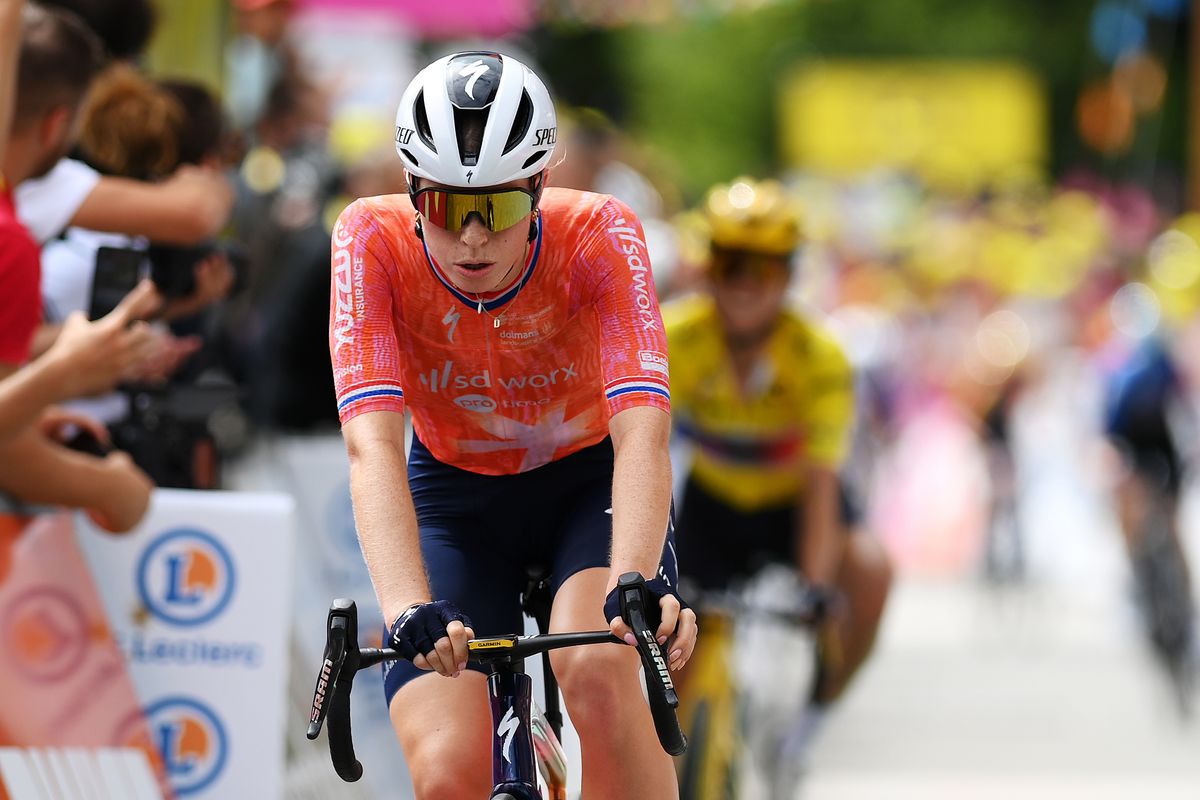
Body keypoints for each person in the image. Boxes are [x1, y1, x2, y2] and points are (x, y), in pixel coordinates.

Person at [329, 51, 697, 799]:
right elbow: (372, 445)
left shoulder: (600, 232)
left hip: (587, 485)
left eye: (495, 209)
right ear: (410, 192)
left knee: (598, 663)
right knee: (446, 776)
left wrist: (635, 577)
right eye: (441, 207)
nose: (470, 238)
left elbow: (641, 431)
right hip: (455, 498)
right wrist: (406, 609)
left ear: (538, 187)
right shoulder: (370, 239)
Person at [664, 177, 892, 758]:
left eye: (760, 270)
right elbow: (645, 455)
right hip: (714, 505)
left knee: (869, 571)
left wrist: (816, 590)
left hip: (795, 508)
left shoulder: (821, 355)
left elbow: (822, 481)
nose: (742, 286)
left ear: (789, 276)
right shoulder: (673, 337)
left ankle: (813, 714)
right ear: (705, 268)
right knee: (670, 660)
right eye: (727, 265)